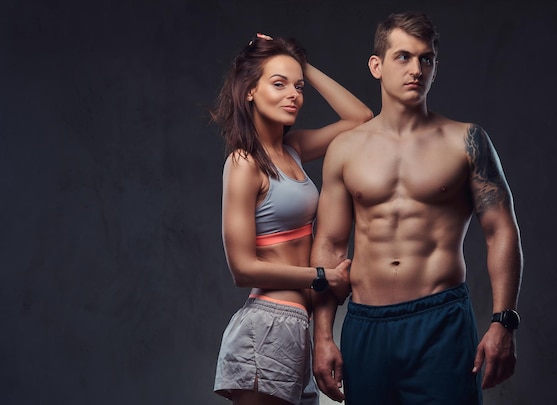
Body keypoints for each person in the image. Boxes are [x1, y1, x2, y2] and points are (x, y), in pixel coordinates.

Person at [311, 12, 523, 404]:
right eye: (403, 57)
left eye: (426, 59)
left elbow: (501, 230)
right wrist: (322, 335)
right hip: (365, 324)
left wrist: (503, 322)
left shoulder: (466, 140)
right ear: (376, 66)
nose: (416, 69)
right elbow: (329, 246)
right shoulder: (345, 149)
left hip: (440, 321)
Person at [212, 33, 372, 405]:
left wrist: (301, 63)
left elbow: (360, 118)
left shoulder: (294, 149)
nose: (294, 95)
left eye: (298, 86)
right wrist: (322, 277)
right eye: (279, 83)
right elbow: (242, 269)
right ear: (249, 91)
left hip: (301, 325)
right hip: (267, 324)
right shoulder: (243, 164)